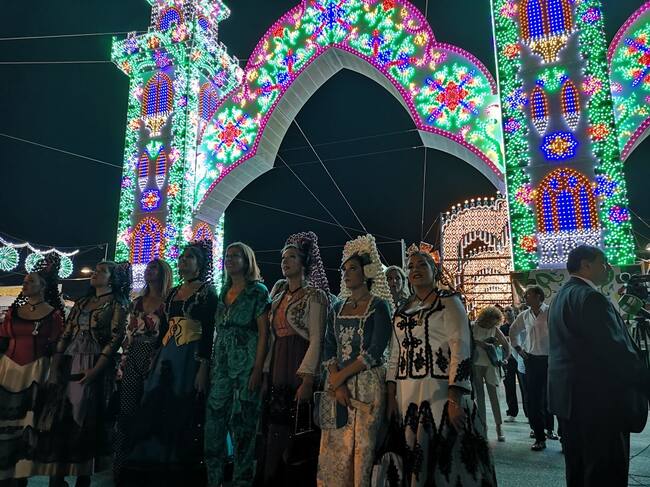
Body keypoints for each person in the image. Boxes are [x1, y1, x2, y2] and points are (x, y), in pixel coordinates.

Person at [386, 247, 497, 486]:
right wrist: (391, 395)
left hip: (440, 390)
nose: (415, 269)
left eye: (422, 265)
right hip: (407, 393)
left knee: (446, 459)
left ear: (434, 270)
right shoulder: (401, 310)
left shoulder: (449, 301)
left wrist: (455, 397)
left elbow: (460, 347)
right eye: (411, 267)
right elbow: (395, 354)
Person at [549, 245, 650, 487]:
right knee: (605, 472)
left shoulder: (560, 297)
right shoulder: (591, 298)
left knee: (578, 469)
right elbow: (615, 353)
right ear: (586, 265)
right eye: (603, 262)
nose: (607, 267)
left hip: (569, 403)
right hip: (599, 404)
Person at [124, 242, 217, 486]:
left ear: (200, 264)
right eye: (182, 257)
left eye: (190, 257)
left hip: (191, 354)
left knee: (183, 401)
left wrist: (204, 366)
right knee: (157, 399)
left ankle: (180, 463)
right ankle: (156, 461)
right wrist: (156, 355)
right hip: (168, 353)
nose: (184, 260)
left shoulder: (208, 292)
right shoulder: (174, 292)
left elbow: (208, 331)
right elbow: (165, 327)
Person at [35, 261, 130, 487]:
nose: (95, 273)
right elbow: (66, 333)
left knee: (86, 418)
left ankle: (83, 475)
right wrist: (56, 365)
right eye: (95, 270)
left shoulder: (117, 304)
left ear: (112, 278)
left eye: (101, 271)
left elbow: (115, 338)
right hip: (70, 360)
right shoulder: (82, 302)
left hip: (94, 361)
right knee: (61, 416)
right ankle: (57, 475)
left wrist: (96, 370)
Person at [317, 234, 392, 487]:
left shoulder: (379, 306)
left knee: (363, 446)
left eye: (353, 268)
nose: (347, 273)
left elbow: (376, 349)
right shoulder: (336, 308)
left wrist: (341, 376)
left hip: (367, 385)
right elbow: (329, 346)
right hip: (338, 386)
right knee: (335, 446)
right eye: (345, 269)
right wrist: (336, 381)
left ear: (366, 273)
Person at [261, 232, 330, 486]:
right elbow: (272, 337)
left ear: (303, 263)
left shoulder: (315, 296)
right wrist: (265, 371)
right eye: (283, 258)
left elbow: (317, 339)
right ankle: (273, 476)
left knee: (297, 426)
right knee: (275, 425)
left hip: (299, 362)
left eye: (291, 257)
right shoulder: (278, 296)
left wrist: (308, 379)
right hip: (278, 361)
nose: (285, 262)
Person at [205, 242, 271, 487]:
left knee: (244, 428)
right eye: (227, 256)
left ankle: (242, 481)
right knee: (214, 426)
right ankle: (214, 480)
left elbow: (264, 334)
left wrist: (258, 369)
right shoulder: (223, 291)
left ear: (247, 261)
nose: (229, 259)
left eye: (236, 256)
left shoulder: (258, 291)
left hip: (246, 366)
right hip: (221, 367)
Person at [0, 256, 65, 486]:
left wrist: (53, 373)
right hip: (8, 371)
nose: (25, 284)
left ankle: (21, 473)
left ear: (43, 286)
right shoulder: (14, 311)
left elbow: (57, 346)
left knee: (28, 424)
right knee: (6, 423)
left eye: (31, 281)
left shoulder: (53, 315)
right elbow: (3, 339)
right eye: (25, 281)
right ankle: (5, 471)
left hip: (36, 370)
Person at [113, 258, 172, 483]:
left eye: (154, 267)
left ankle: (147, 465)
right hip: (132, 355)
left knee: (151, 409)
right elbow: (127, 332)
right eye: (148, 267)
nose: (149, 270)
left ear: (163, 273)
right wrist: (123, 360)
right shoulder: (136, 302)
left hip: (156, 356)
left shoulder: (169, 301)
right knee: (127, 410)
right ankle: (122, 464)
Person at [509, 285, 558, 451]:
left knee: (552, 397)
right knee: (534, 400)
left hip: (550, 360)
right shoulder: (524, 315)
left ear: (538, 296)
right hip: (532, 360)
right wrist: (518, 349)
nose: (525, 298)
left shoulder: (550, 312)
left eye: (528, 295)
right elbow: (513, 331)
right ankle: (539, 437)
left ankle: (552, 430)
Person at [472, 305, 510, 441]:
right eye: (491, 321)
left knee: (495, 396)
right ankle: (483, 427)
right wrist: (480, 343)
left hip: (491, 365)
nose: (492, 324)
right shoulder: (473, 326)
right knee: (479, 398)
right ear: (486, 318)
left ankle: (499, 426)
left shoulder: (494, 329)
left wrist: (505, 359)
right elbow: (466, 342)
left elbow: (506, 345)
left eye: (495, 322)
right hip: (476, 364)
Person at [500, 306, 528, 423]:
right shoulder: (502, 328)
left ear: (514, 312)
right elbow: (501, 342)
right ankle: (512, 412)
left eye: (510, 310)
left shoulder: (519, 325)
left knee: (524, 387)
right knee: (509, 386)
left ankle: (528, 414)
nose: (508, 312)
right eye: (505, 311)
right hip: (509, 360)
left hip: (520, 359)